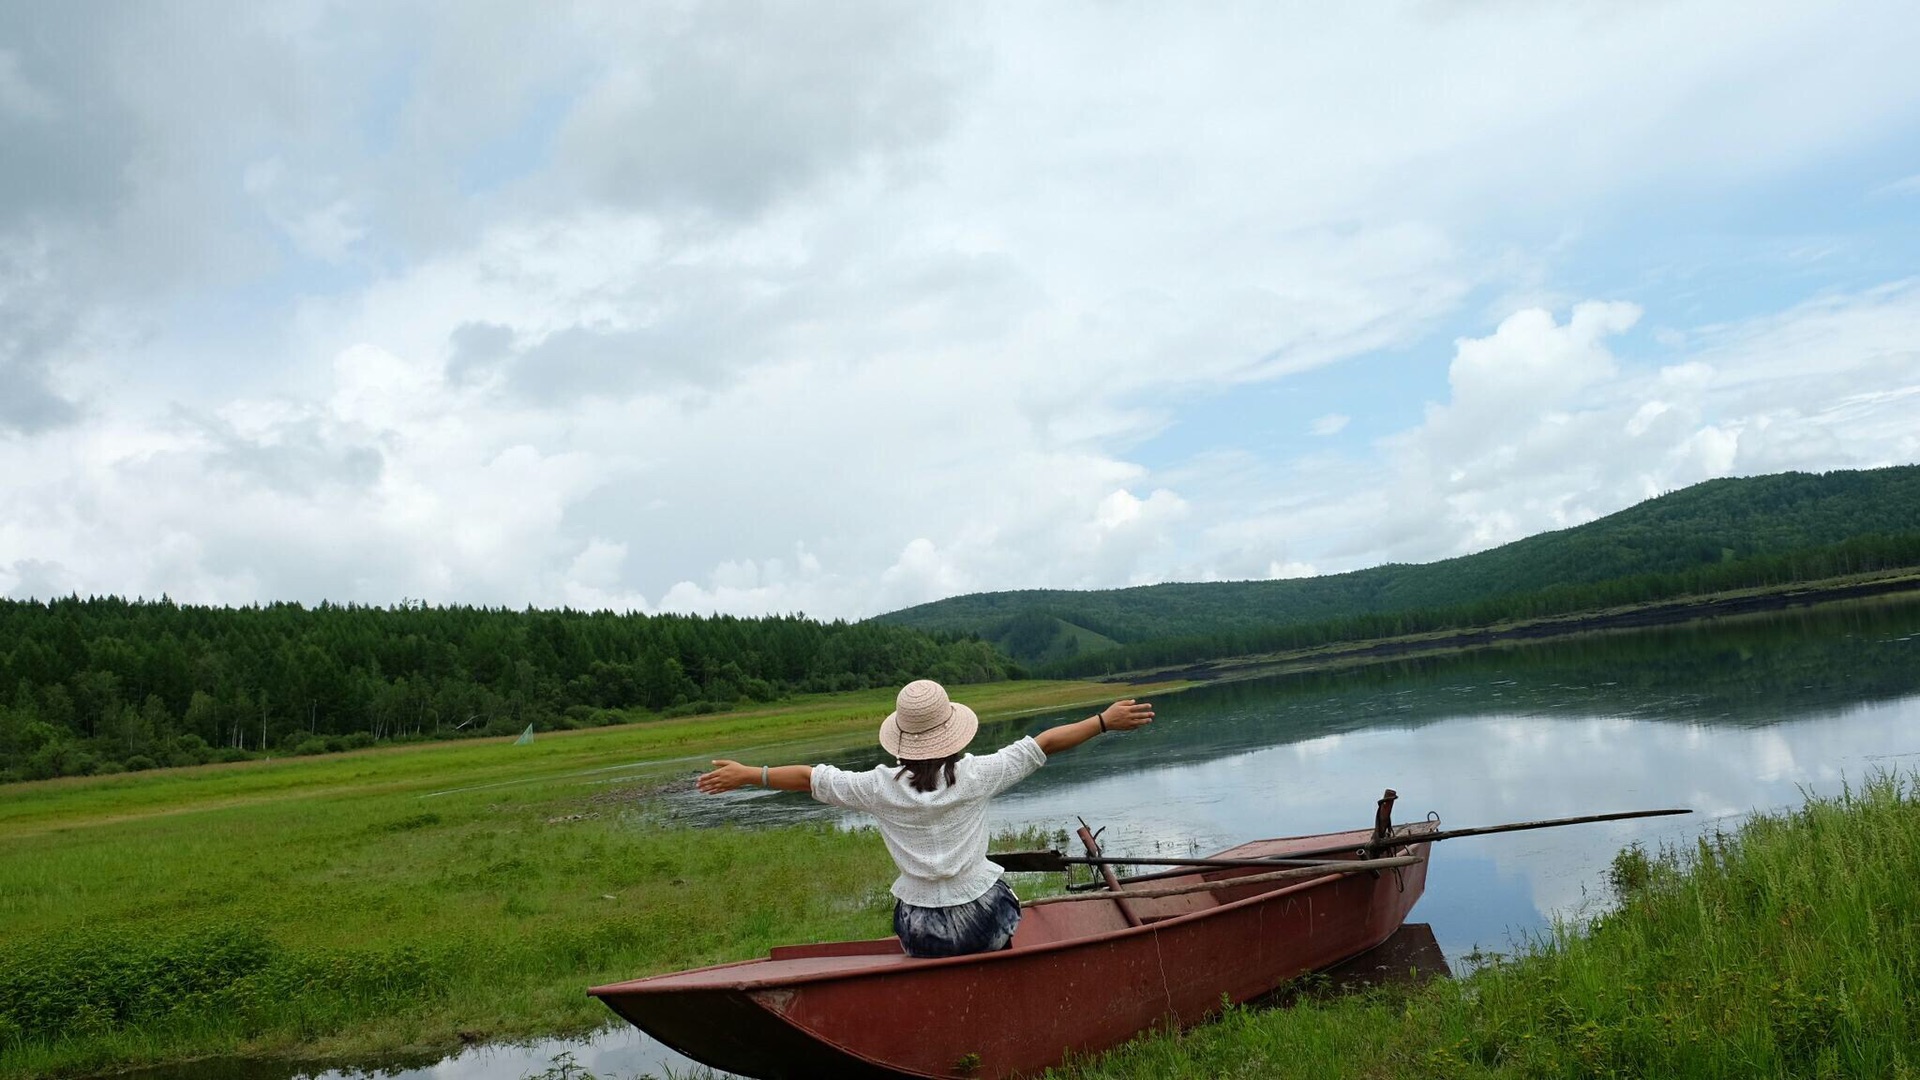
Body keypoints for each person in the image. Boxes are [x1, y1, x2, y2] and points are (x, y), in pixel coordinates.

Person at [697, 679, 1155, 958]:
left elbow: (810, 778)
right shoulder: (977, 775)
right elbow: (1044, 744)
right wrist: (1102, 720)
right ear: (955, 733)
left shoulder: (877, 786)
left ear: (901, 740)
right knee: (1003, 893)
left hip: (920, 933)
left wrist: (750, 774)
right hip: (985, 921)